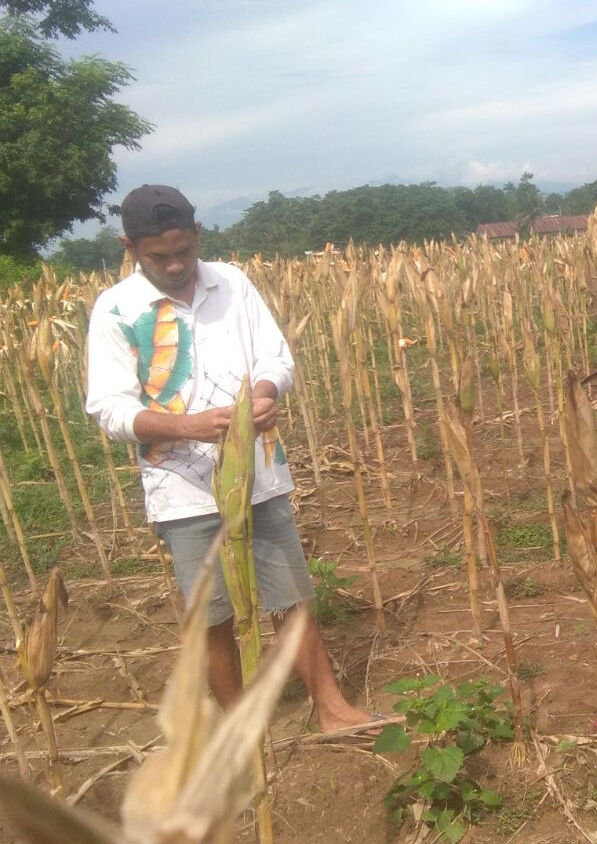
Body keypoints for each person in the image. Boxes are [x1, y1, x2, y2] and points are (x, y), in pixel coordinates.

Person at [86, 185, 380, 734]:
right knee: (213, 612)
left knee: (290, 595)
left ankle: (331, 708)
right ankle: (240, 727)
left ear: (199, 235)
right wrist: (183, 425)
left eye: (183, 250)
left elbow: (274, 357)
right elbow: (108, 408)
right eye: (158, 256)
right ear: (129, 246)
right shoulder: (116, 310)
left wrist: (265, 392)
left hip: (258, 472)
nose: (174, 264)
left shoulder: (234, 283)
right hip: (181, 487)